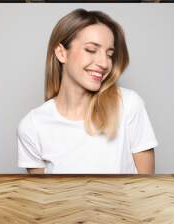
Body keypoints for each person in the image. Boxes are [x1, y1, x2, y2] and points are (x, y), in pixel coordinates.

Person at [17, 8, 158, 174]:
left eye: (109, 54)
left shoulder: (129, 105)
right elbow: (42, 195)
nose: (104, 63)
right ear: (61, 53)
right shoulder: (32, 126)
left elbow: (146, 187)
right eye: (91, 50)